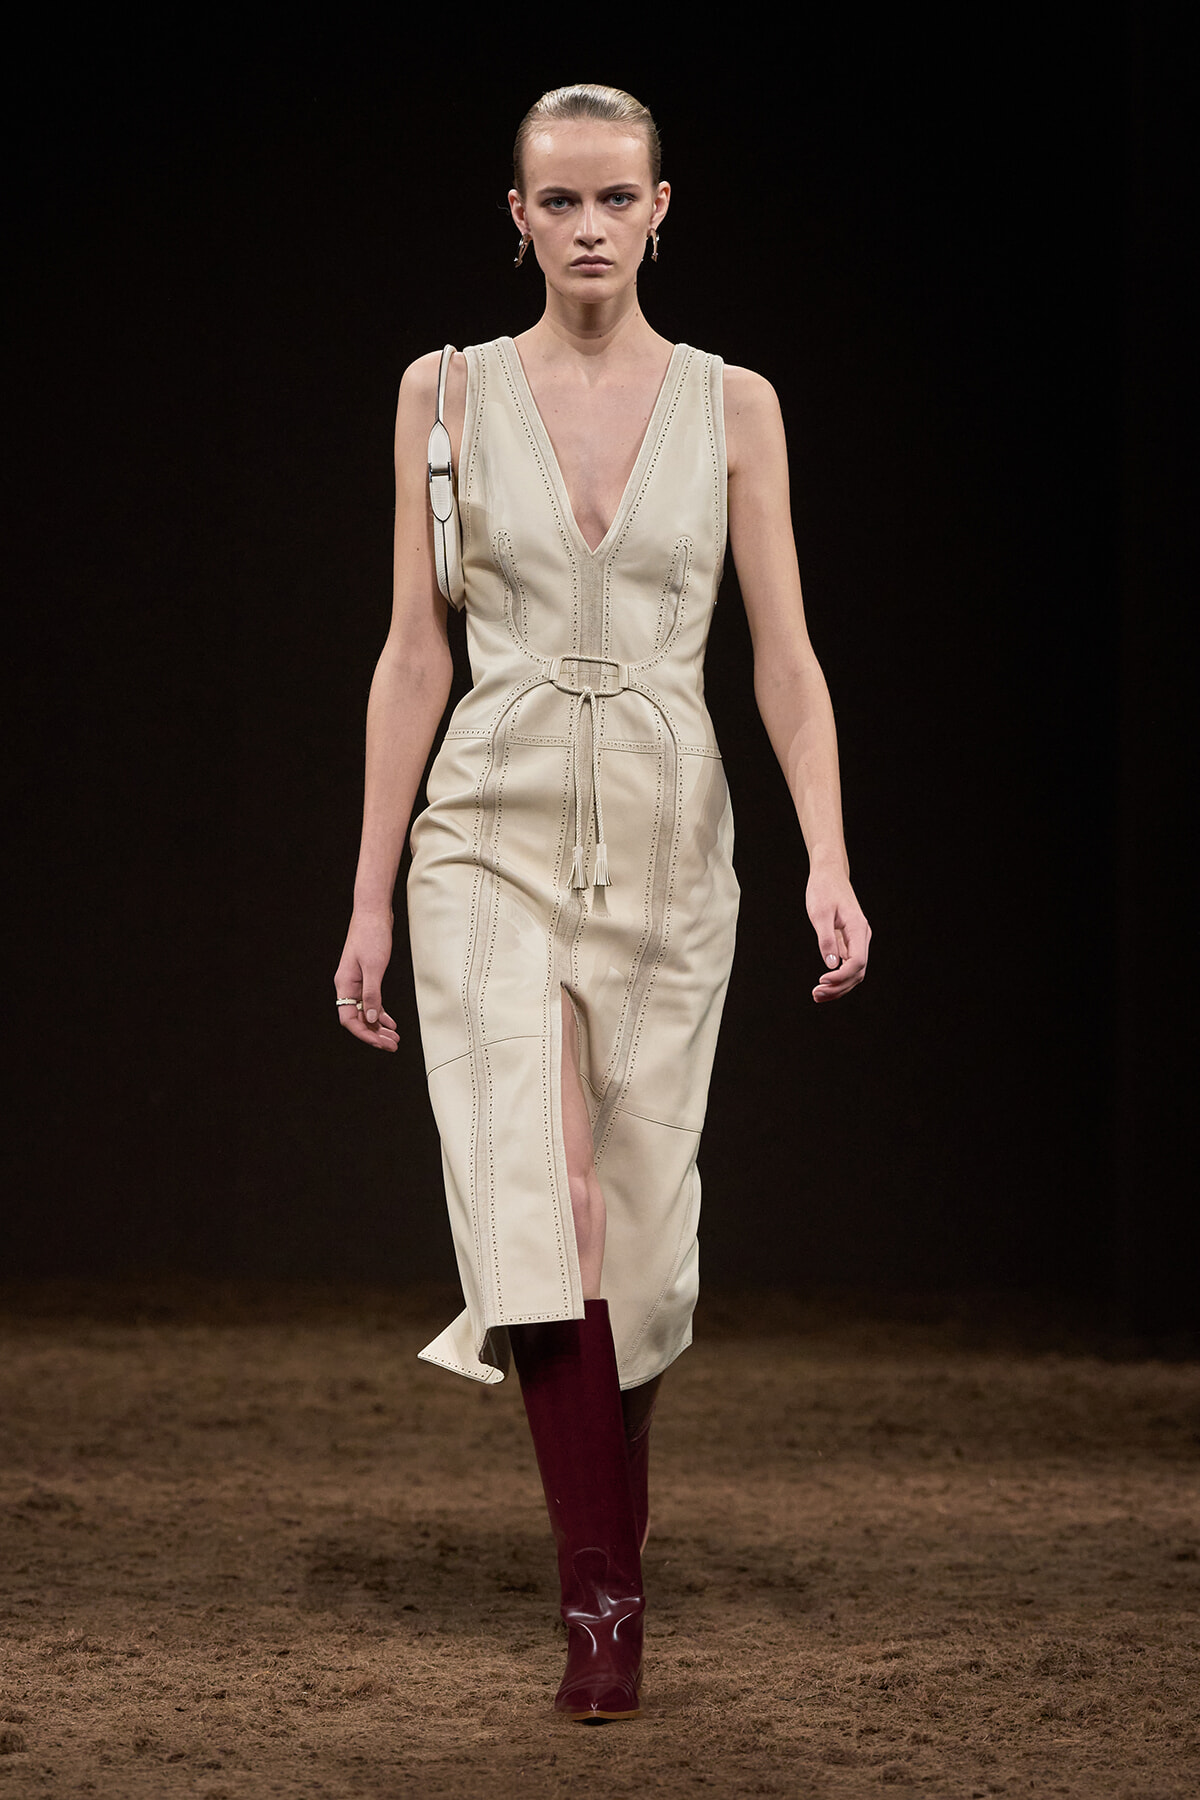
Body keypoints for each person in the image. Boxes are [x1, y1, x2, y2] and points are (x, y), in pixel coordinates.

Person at [333, 82, 870, 1722]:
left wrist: (826, 856)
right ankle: (602, 1607)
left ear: (659, 208)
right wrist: (366, 899)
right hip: (484, 823)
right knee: (542, 1194)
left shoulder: (734, 406)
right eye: (555, 200)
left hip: (666, 830)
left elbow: (781, 655)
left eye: (611, 198)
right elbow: (416, 651)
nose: (584, 226)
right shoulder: (442, 394)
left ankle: (604, 1547)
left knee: (631, 1232)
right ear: (514, 214)